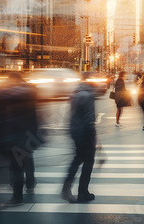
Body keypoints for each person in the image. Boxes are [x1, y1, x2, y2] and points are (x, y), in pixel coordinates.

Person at [0, 73, 40, 206]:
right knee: (27, 159)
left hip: (14, 137)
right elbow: (34, 116)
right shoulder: (29, 94)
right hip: (28, 135)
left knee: (15, 168)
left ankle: (17, 197)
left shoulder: (9, 96)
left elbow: (4, 120)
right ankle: (30, 182)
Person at [60, 72, 97, 203]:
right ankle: (83, 192)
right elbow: (89, 118)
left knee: (77, 160)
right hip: (85, 133)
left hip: (75, 131)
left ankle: (66, 188)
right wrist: (93, 137)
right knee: (88, 162)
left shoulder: (75, 93)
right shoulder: (88, 95)